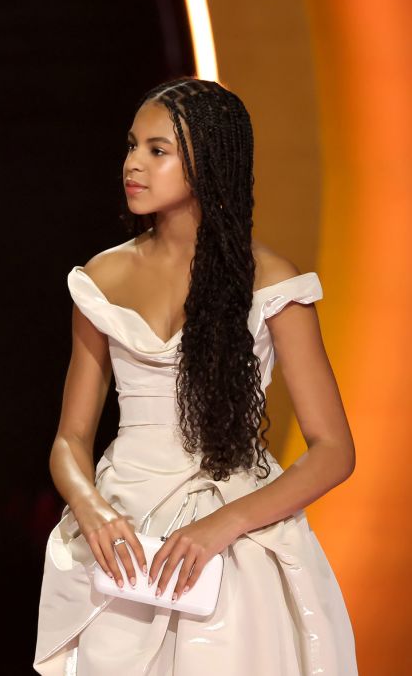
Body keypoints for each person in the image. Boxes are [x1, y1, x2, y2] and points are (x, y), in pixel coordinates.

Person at [33, 78, 356, 675]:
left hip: (235, 539)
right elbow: (69, 440)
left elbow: (334, 450)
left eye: (158, 151)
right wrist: (91, 507)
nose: (133, 164)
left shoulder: (270, 281)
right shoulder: (101, 277)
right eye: (132, 146)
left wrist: (223, 524)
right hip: (126, 536)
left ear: (207, 161)